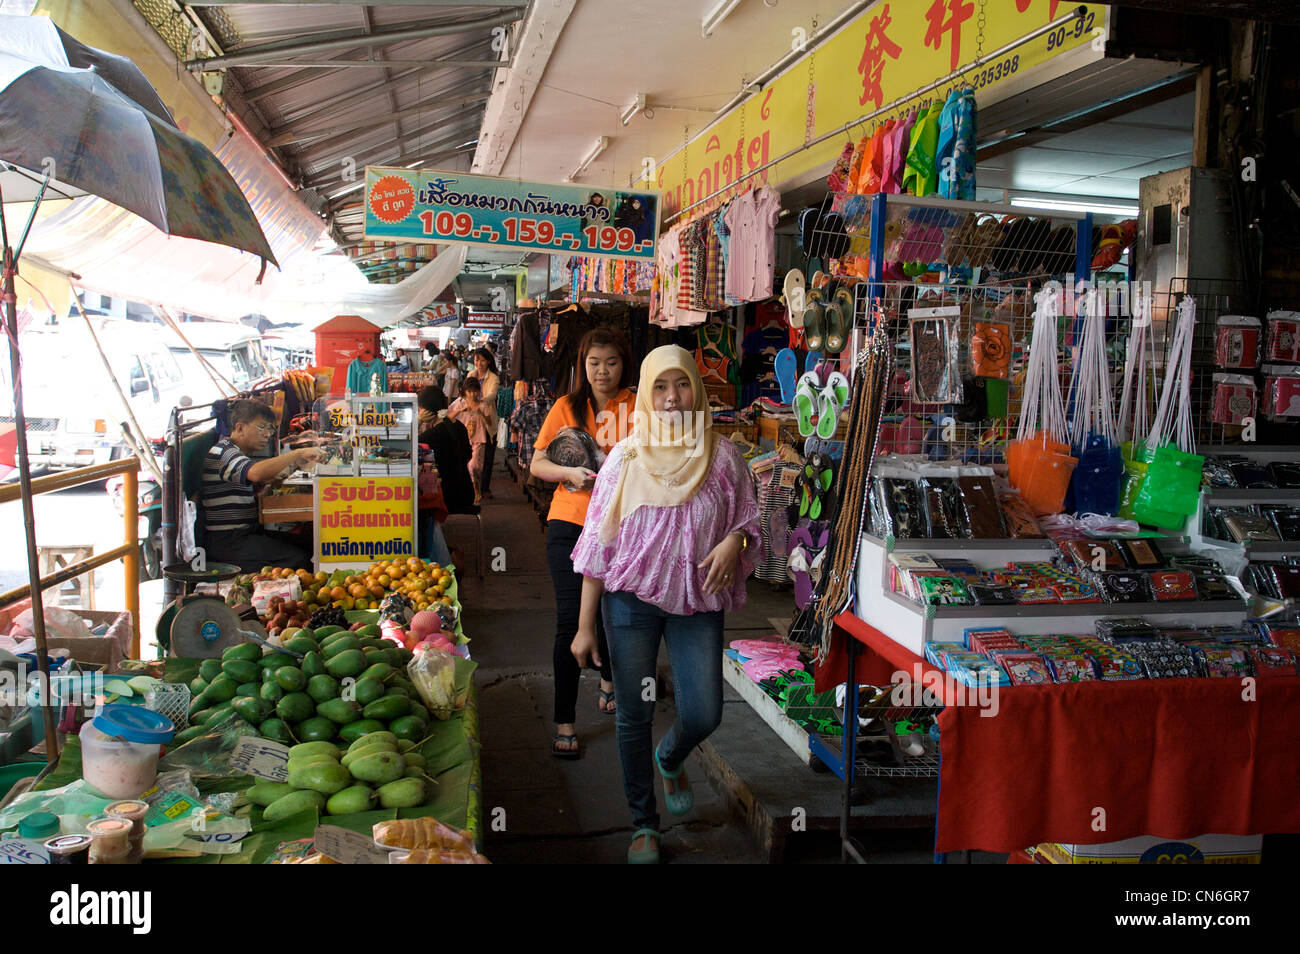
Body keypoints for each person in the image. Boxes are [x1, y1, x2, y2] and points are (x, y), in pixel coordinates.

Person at [570, 346, 760, 863]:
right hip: (630, 604)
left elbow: (748, 519)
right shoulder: (624, 459)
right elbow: (596, 548)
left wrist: (734, 542)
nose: (671, 396)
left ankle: (670, 755)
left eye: (680, 384)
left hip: (697, 602)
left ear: (695, 389)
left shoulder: (723, 457)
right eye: (660, 386)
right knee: (633, 713)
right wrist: (585, 627)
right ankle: (643, 825)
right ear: (647, 394)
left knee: (704, 711)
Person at [531, 329, 638, 759]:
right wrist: (570, 475)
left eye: (610, 362)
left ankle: (610, 677)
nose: (602, 371)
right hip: (570, 523)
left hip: (624, 527)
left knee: (615, 609)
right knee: (570, 621)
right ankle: (564, 721)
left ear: (623, 365)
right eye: (594, 362)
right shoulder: (566, 407)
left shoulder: (637, 405)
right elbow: (538, 462)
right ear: (582, 365)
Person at [201, 400, 324, 573]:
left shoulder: (236, 453)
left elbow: (256, 477)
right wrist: (298, 453)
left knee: (310, 545)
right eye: (262, 428)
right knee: (298, 558)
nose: (267, 435)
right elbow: (256, 473)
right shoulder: (224, 452)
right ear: (240, 427)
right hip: (228, 541)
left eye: (270, 429)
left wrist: (272, 479)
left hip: (246, 534)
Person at [447, 377, 491, 503]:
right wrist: (459, 410)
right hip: (462, 440)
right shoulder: (459, 403)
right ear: (464, 391)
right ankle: (470, 490)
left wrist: (481, 413)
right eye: (470, 391)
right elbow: (447, 418)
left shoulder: (483, 404)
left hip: (478, 439)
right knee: (464, 466)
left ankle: (476, 487)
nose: (473, 394)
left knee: (474, 466)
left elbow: (489, 422)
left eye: (475, 391)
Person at [466, 347, 500, 499]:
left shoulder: (493, 378)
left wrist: (480, 401)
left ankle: (484, 488)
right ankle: (472, 486)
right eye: (477, 359)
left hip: (487, 420)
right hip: (472, 420)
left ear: (488, 362)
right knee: (472, 454)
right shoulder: (470, 374)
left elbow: (492, 395)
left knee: (488, 455)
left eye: (482, 360)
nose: (479, 363)